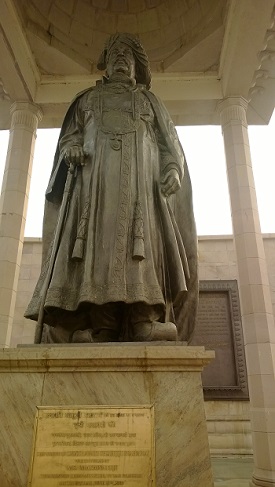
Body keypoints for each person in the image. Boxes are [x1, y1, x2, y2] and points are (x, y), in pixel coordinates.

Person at [25, 33, 198, 343]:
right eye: (115, 52)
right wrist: (72, 148)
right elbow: (68, 140)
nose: (121, 57)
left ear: (137, 65)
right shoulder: (86, 100)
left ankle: (142, 321)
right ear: (105, 63)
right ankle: (101, 325)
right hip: (95, 195)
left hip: (141, 196)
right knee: (97, 255)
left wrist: (173, 168)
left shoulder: (149, 102)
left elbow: (170, 147)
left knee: (140, 255)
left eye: (127, 55)